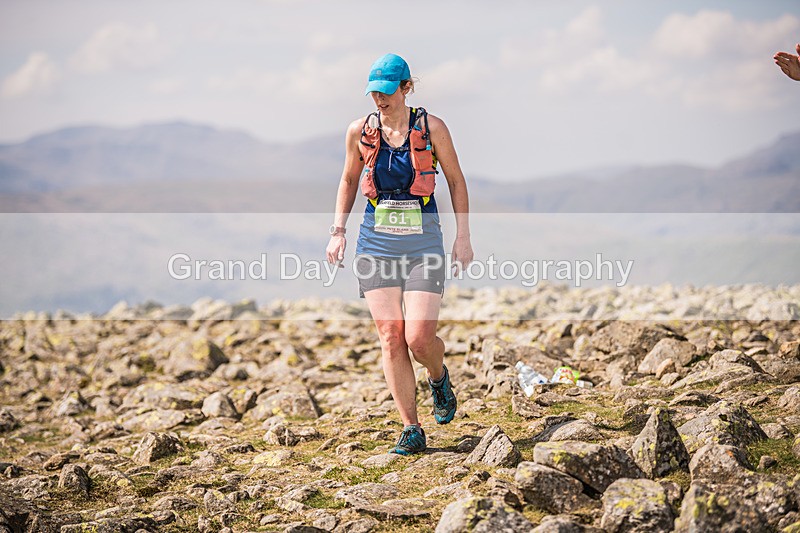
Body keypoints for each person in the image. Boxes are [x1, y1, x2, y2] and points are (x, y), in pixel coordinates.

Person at [325, 53, 473, 455]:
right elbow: (349, 179)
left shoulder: (432, 127)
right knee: (391, 336)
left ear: (406, 88)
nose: (380, 99)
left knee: (420, 338)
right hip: (376, 240)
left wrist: (463, 237)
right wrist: (338, 231)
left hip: (423, 237)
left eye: (387, 91)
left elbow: (457, 182)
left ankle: (438, 377)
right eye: (374, 91)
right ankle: (412, 428)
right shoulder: (360, 131)